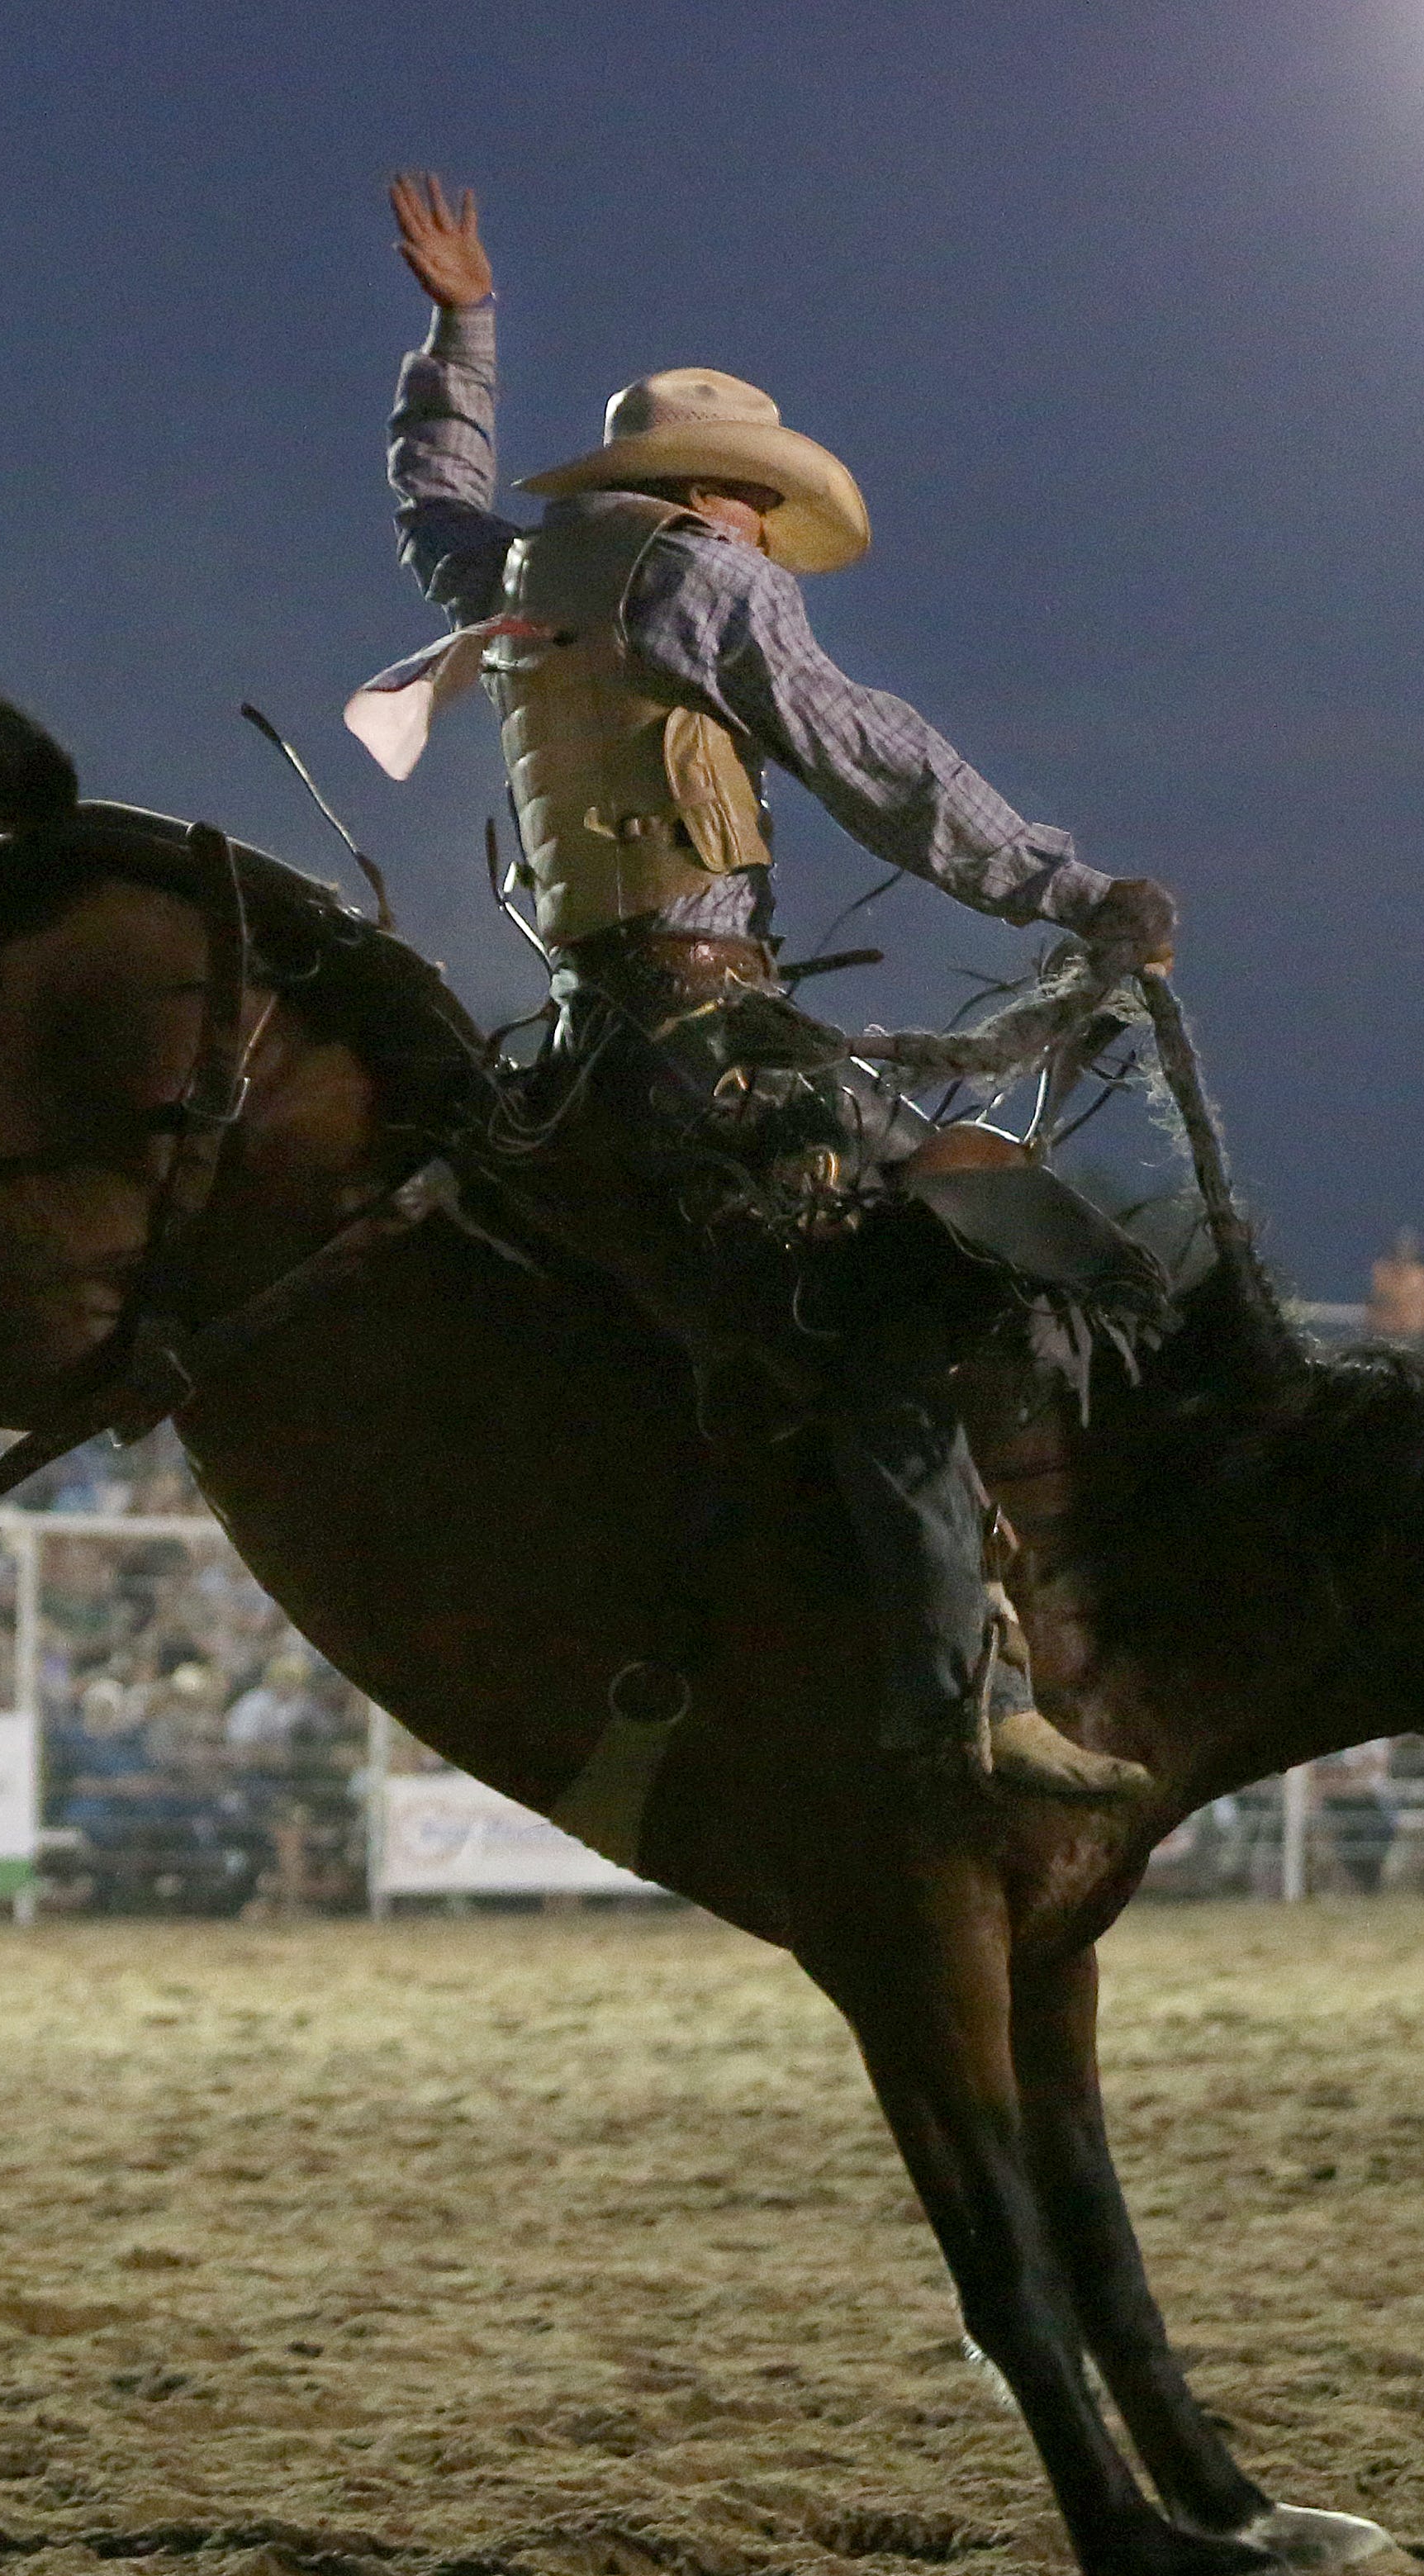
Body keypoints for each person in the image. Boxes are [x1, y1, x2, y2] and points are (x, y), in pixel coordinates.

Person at [369, 174, 1170, 1801]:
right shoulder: (705, 580)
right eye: (754, 504)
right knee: (897, 1319)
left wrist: (463, 330)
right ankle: (959, 1697)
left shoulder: (527, 571)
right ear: (713, 492)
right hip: (706, 1038)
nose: (759, 536)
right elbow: (878, 759)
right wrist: (1072, 888)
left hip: (593, 1040)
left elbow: (428, 501)